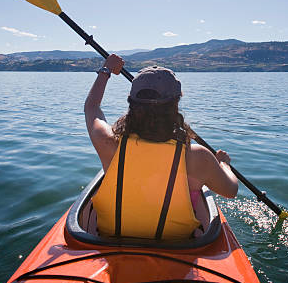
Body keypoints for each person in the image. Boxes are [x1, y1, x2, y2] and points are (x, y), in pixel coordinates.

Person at [85, 54, 238, 241]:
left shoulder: (108, 143)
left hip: (110, 241)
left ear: (131, 102)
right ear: (175, 104)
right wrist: (223, 164)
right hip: (179, 248)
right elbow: (231, 191)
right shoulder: (198, 157)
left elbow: (92, 107)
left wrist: (106, 70)